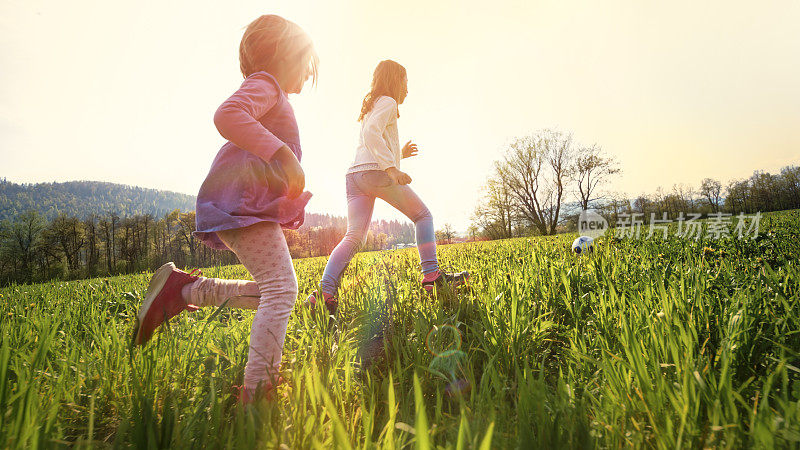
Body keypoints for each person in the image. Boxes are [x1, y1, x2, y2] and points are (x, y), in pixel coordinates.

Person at [132, 14, 317, 403]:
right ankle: (258, 393)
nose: (306, 78)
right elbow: (227, 115)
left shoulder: (272, 91)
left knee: (274, 290)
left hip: (240, 205)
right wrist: (282, 154)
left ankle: (183, 291)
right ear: (285, 53)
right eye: (306, 62)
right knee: (282, 288)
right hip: (242, 204)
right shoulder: (267, 84)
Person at [307, 60, 468, 315]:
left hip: (355, 177)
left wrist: (398, 155)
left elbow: (372, 140)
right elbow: (372, 134)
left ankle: (325, 293)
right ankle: (431, 277)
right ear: (395, 81)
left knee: (354, 236)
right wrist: (392, 169)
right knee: (423, 216)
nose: (407, 90)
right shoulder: (389, 102)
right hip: (376, 174)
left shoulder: (373, 104)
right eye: (405, 83)